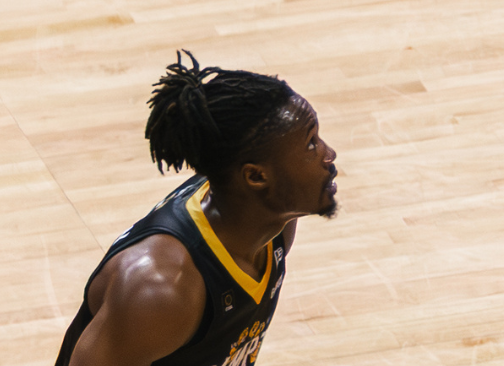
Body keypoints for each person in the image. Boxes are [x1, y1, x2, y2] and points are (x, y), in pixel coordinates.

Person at [54, 54, 340, 366]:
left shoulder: (275, 221)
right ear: (256, 176)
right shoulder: (161, 291)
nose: (329, 154)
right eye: (311, 144)